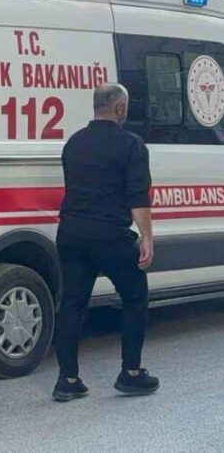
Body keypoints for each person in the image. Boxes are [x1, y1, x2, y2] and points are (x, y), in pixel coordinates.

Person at [51, 83, 158, 402]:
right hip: (111, 235)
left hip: (71, 233)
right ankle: (132, 374)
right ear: (120, 108)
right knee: (135, 296)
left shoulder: (74, 143)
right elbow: (137, 197)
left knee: (72, 302)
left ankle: (67, 380)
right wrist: (147, 239)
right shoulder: (132, 144)